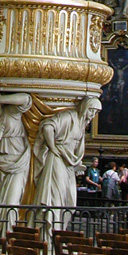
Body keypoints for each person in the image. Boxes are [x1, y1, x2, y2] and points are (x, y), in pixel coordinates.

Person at [32, 97, 102, 235]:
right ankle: (49, 233)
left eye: (95, 113)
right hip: (57, 159)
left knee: (69, 199)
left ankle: (58, 231)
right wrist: (53, 148)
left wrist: (76, 164)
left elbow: (76, 147)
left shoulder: (81, 124)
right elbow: (48, 126)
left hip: (68, 162)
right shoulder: (69, 116)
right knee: (55, 196)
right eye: (92, 111)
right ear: (85, 107)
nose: (92, 115)